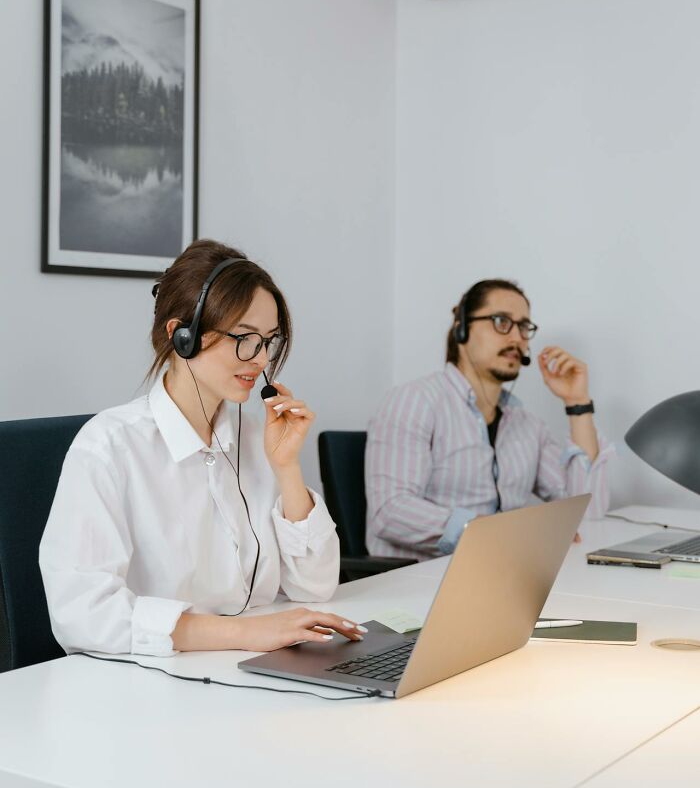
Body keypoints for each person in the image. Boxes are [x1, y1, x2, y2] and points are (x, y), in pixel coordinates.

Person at [40, 239, 366, 656]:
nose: (261, 359)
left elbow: (316, 586)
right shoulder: (108, 447)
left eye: (269, 340)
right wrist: (249, 635)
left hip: (250, 670)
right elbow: (82, 615)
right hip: (147, 685)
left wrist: (287, 468)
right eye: (245, 338)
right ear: (182, 337)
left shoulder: (258, 437)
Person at [365, 278, 612, 560]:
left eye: (523, 326)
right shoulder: (414, 401)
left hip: (500, 572)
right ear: (462, 329)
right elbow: (390, 511)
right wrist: (494, 532)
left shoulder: (527, 424)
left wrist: (577, 403)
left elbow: (587, 512)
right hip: (420, 579)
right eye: (501, 321)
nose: (517, 338)